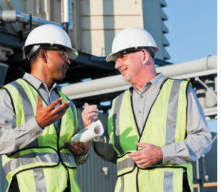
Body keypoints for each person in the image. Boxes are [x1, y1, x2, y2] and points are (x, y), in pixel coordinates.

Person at [82, 27, 212, 192]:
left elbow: (202, 139)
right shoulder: (118, 103)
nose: (117, 65)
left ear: (143, 56)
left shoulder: (179, 91)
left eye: (122, 56)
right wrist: (93, 131)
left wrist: (162, 153)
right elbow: (114, 155)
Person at [0, 24, 89, 192]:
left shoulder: (67, 103)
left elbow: (71, 156)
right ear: (43, 54)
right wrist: (37, 124)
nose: (68, 61)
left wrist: (82, 152)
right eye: (62, 53)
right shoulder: (10, 93)